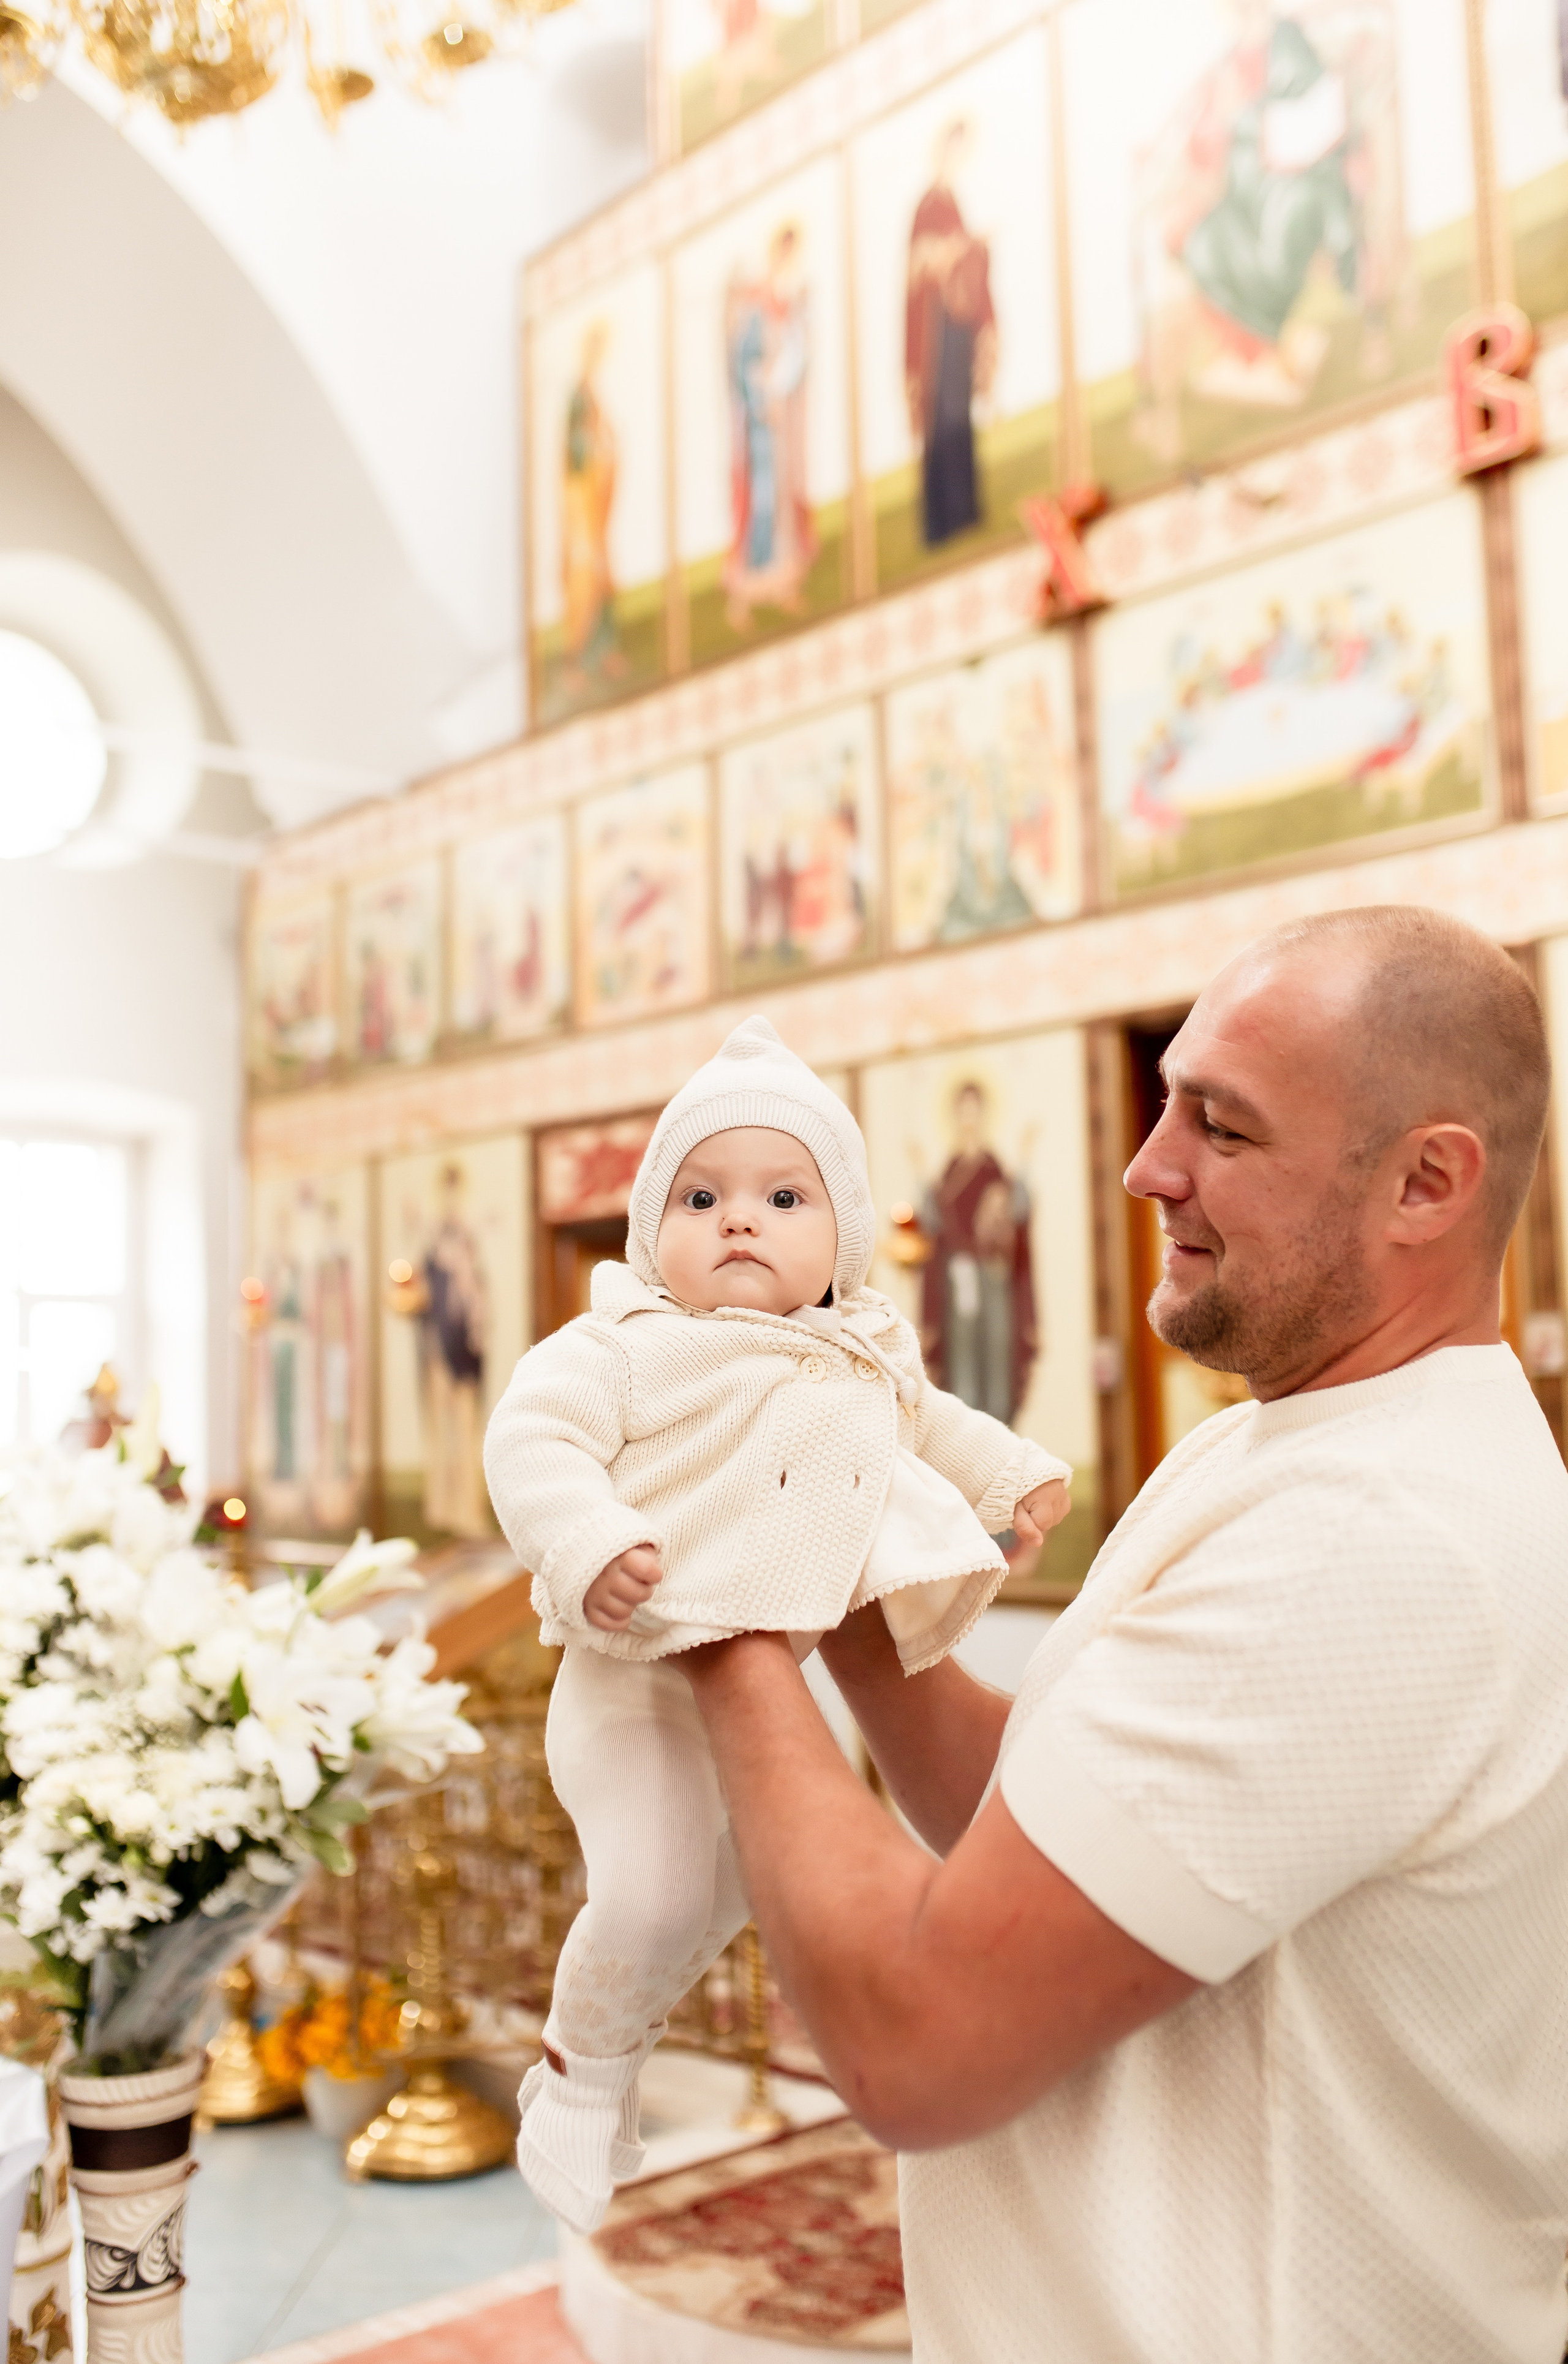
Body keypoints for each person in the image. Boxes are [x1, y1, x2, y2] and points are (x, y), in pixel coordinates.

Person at [681, 907, 1568, 2363]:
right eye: (1165, 1102)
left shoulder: (1368, 1535)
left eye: (1218, 1125)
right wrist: (835, 1564)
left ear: (1424, 1181)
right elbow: (1040, 1825)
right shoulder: (1274, 1450)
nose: (1144, 1167)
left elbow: (917, 2041)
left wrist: (710, 1601)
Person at [483, 1015, 1071, 2232]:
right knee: (647, 1895)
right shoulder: (628, 1346)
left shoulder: (859, 1353)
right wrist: (588, 1539)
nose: (736, 1219)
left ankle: (621, 2034)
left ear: (842, 1240)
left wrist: (1013, 1477)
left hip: (767, 1695)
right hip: (632, 1678)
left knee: (739, 1892)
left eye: (781, 1196)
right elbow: (531, 1443)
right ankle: (580, 2077)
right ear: (652, 1231)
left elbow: (934, 1426)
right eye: (698, 1196)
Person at [906, 119, 996, 548]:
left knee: (959, 414)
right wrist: (966, 245)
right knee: (943, 418)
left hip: (956, 323)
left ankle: (965, 511)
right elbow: (924, 262)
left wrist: (972, 247)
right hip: (936, 331)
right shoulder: (929, 205)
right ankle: (943, 518)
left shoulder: (952, 201)